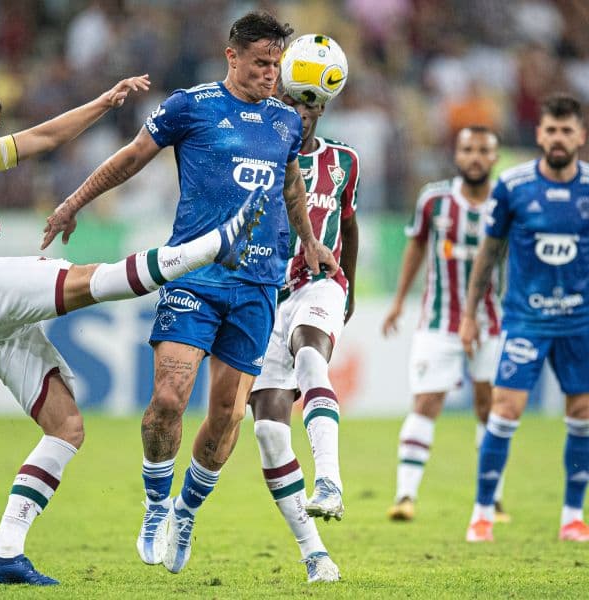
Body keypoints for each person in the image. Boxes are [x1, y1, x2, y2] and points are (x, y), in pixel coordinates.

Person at [0, 77, 264, 586]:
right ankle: (214, 246)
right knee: (89, 280)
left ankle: (5, 552)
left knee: (67, 427)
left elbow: (44, 138)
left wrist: (102, 102)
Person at [42, 11, 338, 575]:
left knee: (227, 416)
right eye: (259, 63)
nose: (270, 75)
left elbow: (292, 184)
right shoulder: (191, 105)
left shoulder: (284, 123)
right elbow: (130, 157)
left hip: (258, 283)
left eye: (276, 65)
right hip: (195, 277)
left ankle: (187, 509)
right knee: (169, 401)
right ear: (232, 56)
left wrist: (309, 242)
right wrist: (73, 202)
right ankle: (155, 507)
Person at [247, 35, 359, 584]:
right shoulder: (254, 157)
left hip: (318, 285)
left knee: (311, 358)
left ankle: (331, 480)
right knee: (267, 430)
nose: (304, 112)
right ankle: (314, 552)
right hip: (264, 294)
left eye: (313, 103)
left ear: (325, 106)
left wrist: (351, 287)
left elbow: (351, 224)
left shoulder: (343, 162)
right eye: (295, 100)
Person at [461, 94, 589, 543]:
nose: (558, 138)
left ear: (581, 136)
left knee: (583, 414)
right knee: (505, 409)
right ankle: (482, 513)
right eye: (550, 130)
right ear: (539, 134)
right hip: (527, 321)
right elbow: (489, 252)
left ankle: (573, 516)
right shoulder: (513, 186)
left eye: (566, 130)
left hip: (580, 322)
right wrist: (471, 314)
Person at [382, 127, 509, 522]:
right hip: (438, 319)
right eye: (467, 149)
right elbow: (416, 246)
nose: (474, 157)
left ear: (494, 157)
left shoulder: (508, 203)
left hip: (493, 322)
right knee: (426, 401)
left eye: (482, 151)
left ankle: (492, 500)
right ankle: (405, 496)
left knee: (491, 408)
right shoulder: (434, 200)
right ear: (457, 154)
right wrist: (400, 300)